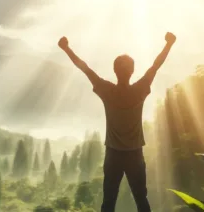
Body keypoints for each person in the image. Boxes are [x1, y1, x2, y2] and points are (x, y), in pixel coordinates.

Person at [58, 32, 176, 212]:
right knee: (141, 200)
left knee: (108, 202)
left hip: (113, 154)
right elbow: (156, 65)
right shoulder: (140, 90)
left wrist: (66, 48)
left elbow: (85, 68)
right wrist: (169, 44)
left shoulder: (107, 91)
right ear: (133, 71)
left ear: (115, 71)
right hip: (135, 154)